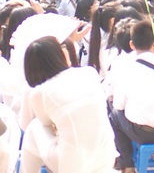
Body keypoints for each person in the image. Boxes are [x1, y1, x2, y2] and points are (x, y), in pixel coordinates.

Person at [20, 35, 116, 173]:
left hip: (72, 165)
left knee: (33, 127)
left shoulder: (40, 93)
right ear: (57, 56)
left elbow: (41, 124)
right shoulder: (89, 73)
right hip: (106, 157)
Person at [109, 18, 154, 173]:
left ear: (131, 44)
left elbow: (119, 105)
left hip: (142, 133)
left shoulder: (126, 68)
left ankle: (127, 165)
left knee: (114, 115)